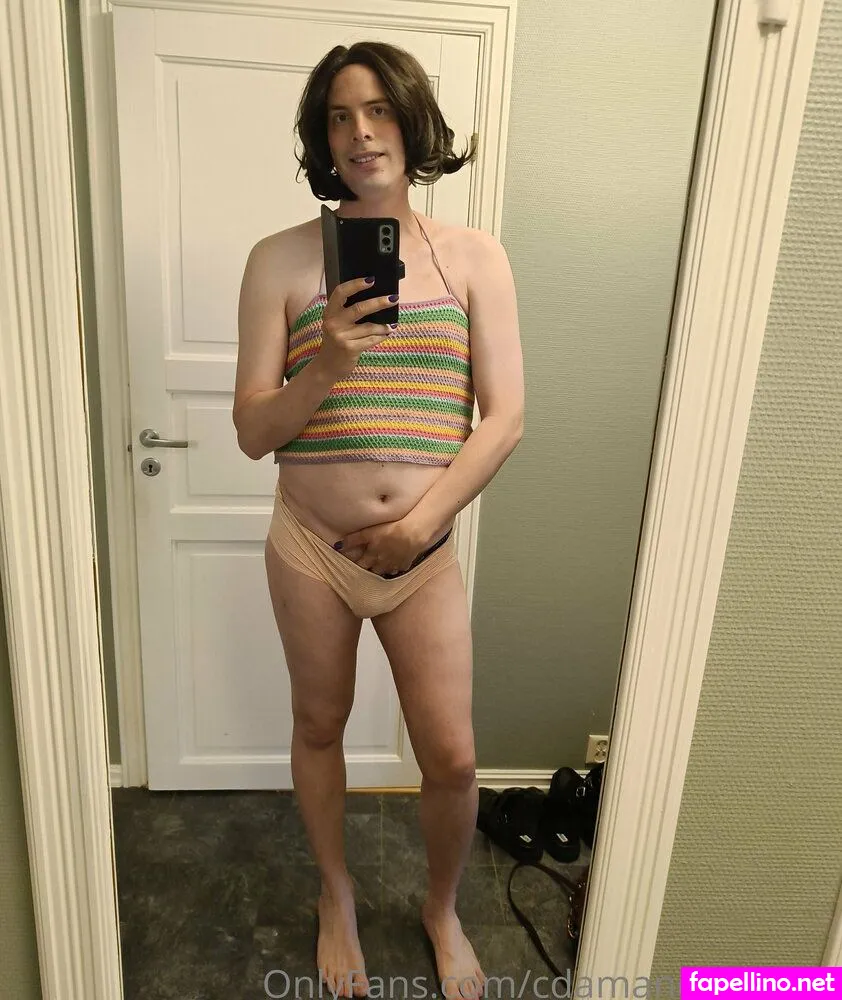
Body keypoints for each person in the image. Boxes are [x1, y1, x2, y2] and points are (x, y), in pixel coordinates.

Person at [233, 40, 524, 1000]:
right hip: (310, 547)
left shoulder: (476, 257)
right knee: (319, 724)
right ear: (323, 140)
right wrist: (327, 362)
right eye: (339, 118)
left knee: (453, 756)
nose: (360, 134)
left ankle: (441, 908)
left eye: (379, 111)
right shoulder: (279, 260)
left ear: (413, 119)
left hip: (422, 552)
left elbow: (505, 418)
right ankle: (337, 894)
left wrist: (416, 526)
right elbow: (252, 432)